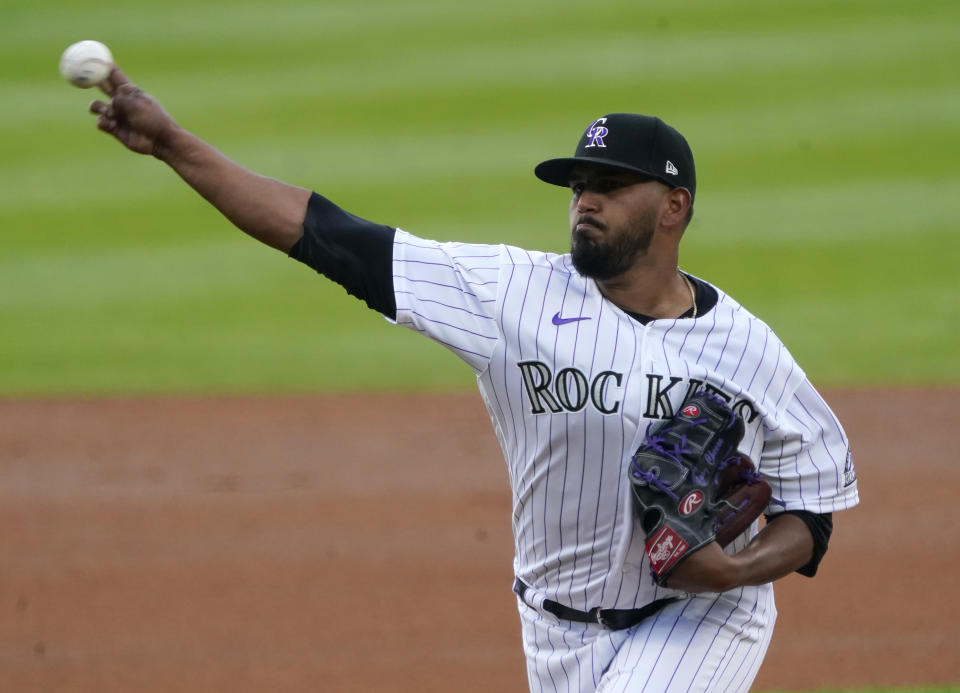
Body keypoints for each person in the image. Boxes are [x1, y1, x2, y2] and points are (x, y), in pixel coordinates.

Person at [88, 67, 859, 692]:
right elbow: (328, 236)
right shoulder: (508, 294)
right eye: (577, 184)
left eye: (610, 185)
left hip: (701, 622)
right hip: (553, 632)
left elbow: (813, 500)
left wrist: (735, 569)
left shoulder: (746, 347)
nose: (584, 200)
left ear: (673, 207)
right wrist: (173, 145)